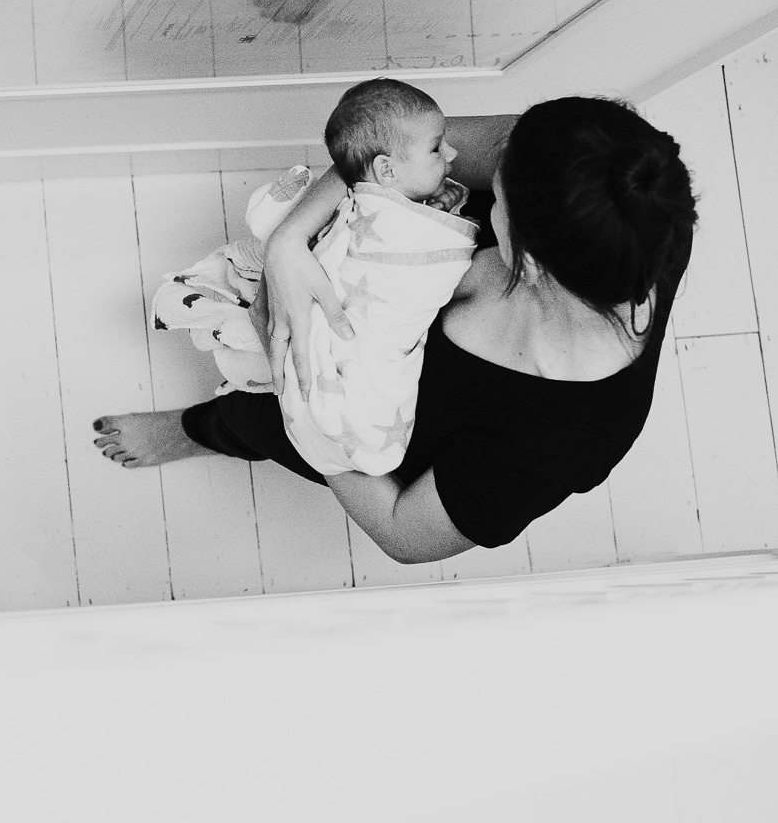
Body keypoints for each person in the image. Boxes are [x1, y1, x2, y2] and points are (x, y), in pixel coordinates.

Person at [93, 96, 697, 563]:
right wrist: (289, 244)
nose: (471, 169)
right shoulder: (630, 190)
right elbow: (395, 147)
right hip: (365, 284)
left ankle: (200, 430)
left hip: (362, 426)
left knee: (253, 420)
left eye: (498, 200)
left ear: (532, 262)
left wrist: (308, 397)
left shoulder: (566, 439)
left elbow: (405, 533)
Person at [148, 79, 478, 476]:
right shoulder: (367, 199)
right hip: (310, 316)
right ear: (386, 170)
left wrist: (435, 210)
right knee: (273, 357)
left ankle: (224, 401)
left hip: (328, 347)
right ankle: (221, 386)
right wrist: (287, 240)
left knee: (271, 379)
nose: (453, 153)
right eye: (438, 148)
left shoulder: (397, 194)